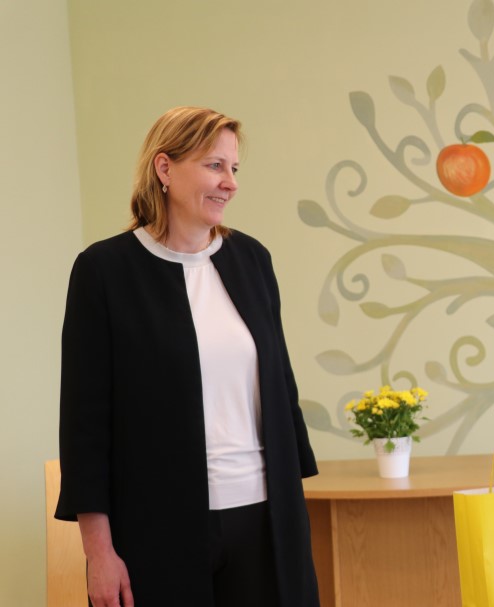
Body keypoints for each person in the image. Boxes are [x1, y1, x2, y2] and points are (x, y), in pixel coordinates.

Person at [56, 106, 320, 606]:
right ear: (165, 168)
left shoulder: (252, 260)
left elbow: (282, 390)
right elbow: (84, 426)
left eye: (234, 168)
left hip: (264, 522)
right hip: (156, 530)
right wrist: (98, 553)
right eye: (214, 165)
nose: (230, 183)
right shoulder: (103, 271)